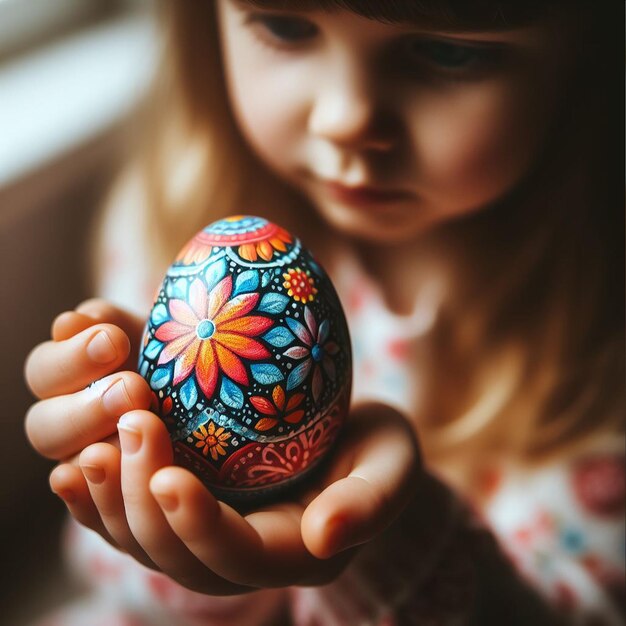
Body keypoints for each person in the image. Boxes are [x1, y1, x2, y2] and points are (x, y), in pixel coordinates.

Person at [24, 1, 624, 624]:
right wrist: (160, 516)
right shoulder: (168, 220)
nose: (347, 117)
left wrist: (383, 542)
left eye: (450, 51)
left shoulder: (600, 347)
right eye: (285, 25)